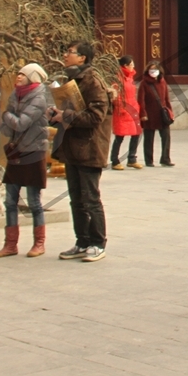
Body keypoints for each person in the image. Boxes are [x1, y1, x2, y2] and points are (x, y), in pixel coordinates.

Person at [54, 41, 113, 261]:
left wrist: (66, 116)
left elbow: (96, 117)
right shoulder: (70, 79)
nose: (65, 55)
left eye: (70, 52)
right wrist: (57, 114)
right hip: (72, 147)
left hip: (89, 147)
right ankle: (82, 241)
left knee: (90, 199)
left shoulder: (92, 82)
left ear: (83, 58)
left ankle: (98, 243)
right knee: (76, 199)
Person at [0, 63, 53, 257]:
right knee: (10, 200)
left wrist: (6, 115)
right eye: (18, 73)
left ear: (33, 77)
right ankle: (10, 244)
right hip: (16, 152)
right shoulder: (16, 94)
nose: (18, 77)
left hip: (33, 152)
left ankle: (39, 243)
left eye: (23, 74)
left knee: (34, 202)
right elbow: (7, 127)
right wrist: (8, 119)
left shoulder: (39, 97)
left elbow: (21, 123)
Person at [140, 60, 175, 165]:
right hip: (149, 115)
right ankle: (148, 160)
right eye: (151, 69)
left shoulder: (162, 82)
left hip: (162, 114)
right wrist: (143, 113)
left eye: (155, 69)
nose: (153, 71)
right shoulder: (144, 83)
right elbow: (141, 100)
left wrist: (170, 112)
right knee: (149, 139)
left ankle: (165, 159)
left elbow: (166, 98)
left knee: (166, 137)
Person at [109, 55, 142, 168]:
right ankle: (115, 160)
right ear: (125, 66)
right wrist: (120, 108)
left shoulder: (130, 78)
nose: (133, 67)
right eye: (131, 65)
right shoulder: (117, 79)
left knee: (136, 134)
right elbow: (115, 96)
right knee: (120, 136)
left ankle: (132, 158)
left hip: (132, 110)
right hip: (122, 111)